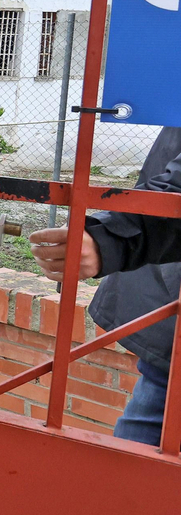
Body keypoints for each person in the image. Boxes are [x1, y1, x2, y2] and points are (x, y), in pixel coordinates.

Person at [28, 126, 181, 447]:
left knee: (134, 475)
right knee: (134, 469)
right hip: (169, 338)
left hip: (170, 322)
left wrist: (109, 240)